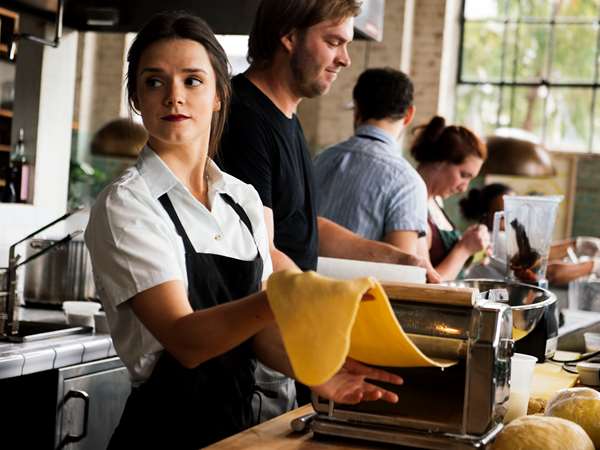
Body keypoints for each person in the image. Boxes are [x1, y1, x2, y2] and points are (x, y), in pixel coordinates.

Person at [84, 12, 402, 449]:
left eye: (193, 81)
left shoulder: (241, 198)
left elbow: (257, 335)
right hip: (162, 432)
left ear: (218, 95)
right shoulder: (129, 204)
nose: (174, 96)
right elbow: (185, 339)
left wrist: (316, 370)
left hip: (236, 431)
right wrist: (285, 297)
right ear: (137, 99)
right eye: (154, 82)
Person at [217, 0, 439, 419]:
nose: (345, 58)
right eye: (333, 41)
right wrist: (333, 307)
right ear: (289, 36)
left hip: (285, 340)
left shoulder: (286, 117)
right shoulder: (245, 117)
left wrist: (399, 259)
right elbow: (261, 249)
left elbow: (301, 225)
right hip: (255, 354)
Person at [313, 67, 426, 255]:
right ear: (409, 115)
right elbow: (402, 272)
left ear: (356, 108)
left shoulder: (320, 160)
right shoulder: (408, 182)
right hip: (362, 285)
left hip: (301, 282)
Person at [461, 183, 600, 285]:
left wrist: (577, 244)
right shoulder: (493, 240)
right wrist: (593, 266)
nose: (513, 220)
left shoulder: (497, 236)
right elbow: (550, 273)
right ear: (488, 217)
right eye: (506, 215)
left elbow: (537, 254)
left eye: (515, 211)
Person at [411, 116, 490, 281]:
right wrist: (464, 249)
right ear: (440, 161)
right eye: (463, 175)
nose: (464, 187)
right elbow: (425, 285)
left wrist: (473, 250)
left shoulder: (435, 201)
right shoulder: (413, 208)